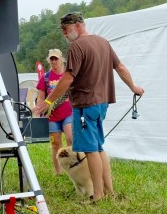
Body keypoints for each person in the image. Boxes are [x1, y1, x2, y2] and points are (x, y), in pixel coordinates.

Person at [34, 12, 144, 203]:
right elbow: (121, 68)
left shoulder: (77, 46)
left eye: (65, 29)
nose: (64, 34)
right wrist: (134, 87)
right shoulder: (103, 42)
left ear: (78, 25)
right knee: (99, 148)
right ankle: (110, 191)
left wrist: (49, 101)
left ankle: (98, 195)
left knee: (91, 150)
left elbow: (68, 77)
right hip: (102, 104)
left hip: (85, 105)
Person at [34, 48, 73, 175]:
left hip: (69, 112)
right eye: (51, 59)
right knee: (56, 144)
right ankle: (58, 171)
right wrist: (39, 108)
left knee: (70, 138)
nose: (54, 61)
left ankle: (73, 166)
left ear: (61, 59)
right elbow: (41, 96)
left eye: (56, 58)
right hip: (52, 115)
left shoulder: (68, 75)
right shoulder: (45, 78)